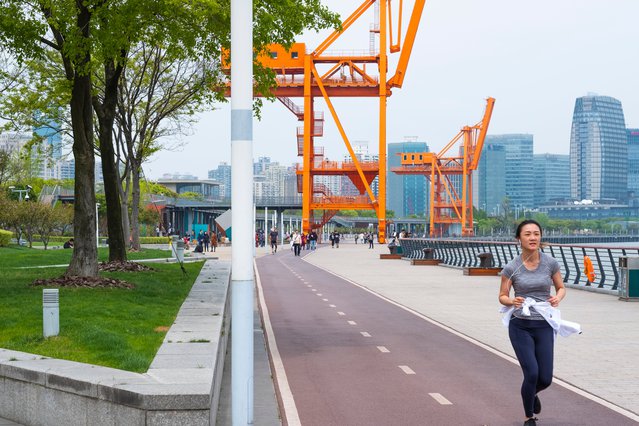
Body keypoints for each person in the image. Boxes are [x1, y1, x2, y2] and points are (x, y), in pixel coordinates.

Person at [499, 219, 566, 426]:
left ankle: (531, 393)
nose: (533, 237)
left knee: (545, 378)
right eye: (527, 234)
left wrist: (558, 298)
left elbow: (561, 288)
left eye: (536, 233)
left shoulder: (550, 263)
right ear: (518, 238)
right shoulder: (512, 267)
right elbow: (502, 296)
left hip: (544, 325)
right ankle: (529, 417)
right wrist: (512, 300)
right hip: (520, 326)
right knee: (532, 372)